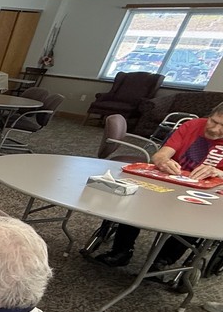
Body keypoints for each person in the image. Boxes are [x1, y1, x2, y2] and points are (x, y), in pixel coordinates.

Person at [91, 104, 223, 269]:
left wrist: (218, 172)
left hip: (207, 192)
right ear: (209, 115)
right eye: (213, 121)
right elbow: (160, 155)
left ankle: (162, 261)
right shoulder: (192, 125)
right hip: (171, 180)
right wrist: (163, 161)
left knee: (195, 219)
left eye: (222, 127)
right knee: (134, 198)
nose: (215, 129)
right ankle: (121, 251)